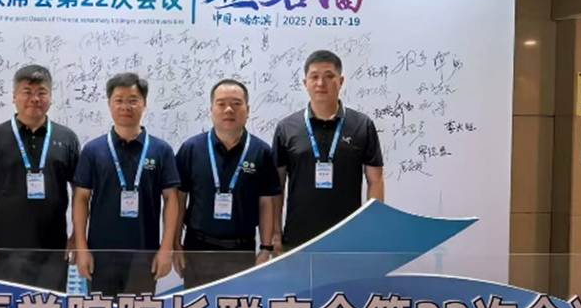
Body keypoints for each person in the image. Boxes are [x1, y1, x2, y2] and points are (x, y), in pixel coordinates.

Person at [0, 64, 80, 291]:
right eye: (27, 92)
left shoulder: (67, 138)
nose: (35, 99)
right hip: (5, 249)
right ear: (14, 96)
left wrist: (77, 236)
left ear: (50, 97)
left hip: (53, 251)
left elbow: (80, 193)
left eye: (41, 92)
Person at [72, 73, 180, 295]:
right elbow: (81, 198)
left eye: (133, 100)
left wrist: (166, 248)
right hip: (100, 254)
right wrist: (82, 248)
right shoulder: (93, 150)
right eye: (119, 100)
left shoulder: (161, 150)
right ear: (109, 104)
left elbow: (171, 199)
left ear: (144, 103)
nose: (125, 106)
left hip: (145, 253)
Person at [273, 50, 385, 250]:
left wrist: (372, 228)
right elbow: (276, 187)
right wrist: (274, 233)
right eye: (314, 77)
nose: (321, 83)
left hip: (349, 238)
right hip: (298, 239)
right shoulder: (287, 128)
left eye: (329, 76)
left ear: (341, 81)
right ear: (305, 83)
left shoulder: (362, 125)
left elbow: (375, 180)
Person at [174, 79, 280, 289]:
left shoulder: (261, 152)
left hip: (241, 250)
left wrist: (266, 247)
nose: (229, 109)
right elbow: (179, 199)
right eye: (221, 103)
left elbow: (266, 203)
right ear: (211, 109)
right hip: (197, 248)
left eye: (236, 104)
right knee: (198, 307)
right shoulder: (191, 149)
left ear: (248, 110)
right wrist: (175, 242)